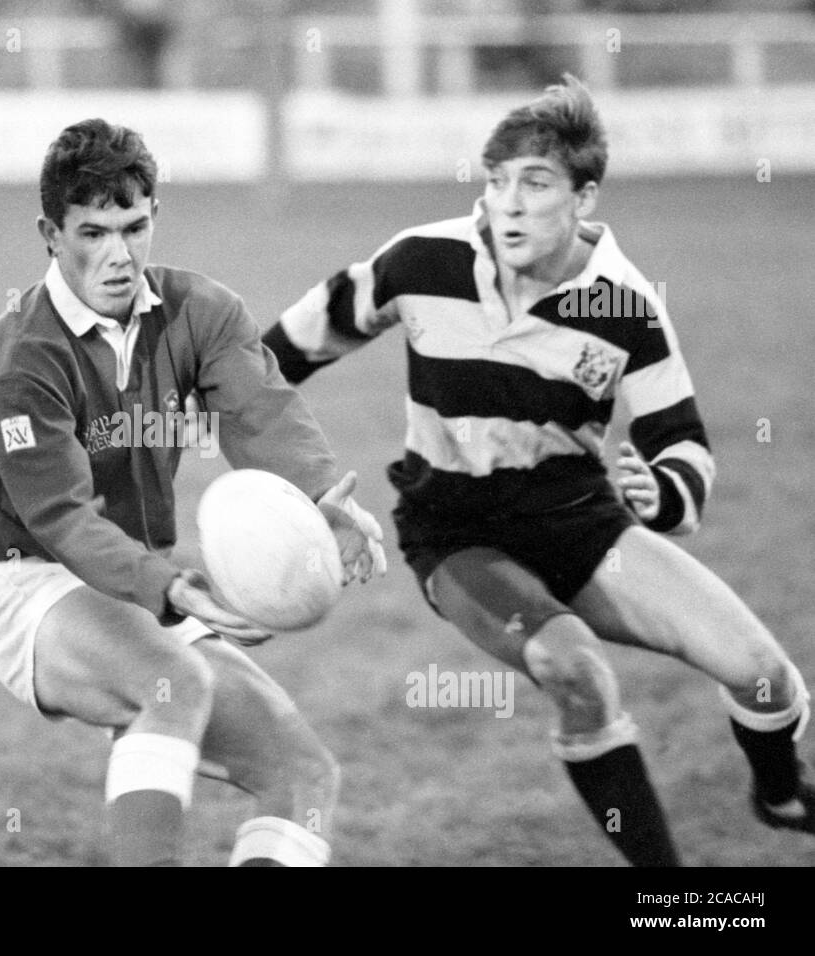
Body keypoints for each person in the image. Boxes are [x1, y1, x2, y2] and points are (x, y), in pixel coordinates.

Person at [262, 75, 812, 866]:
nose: (507, 205)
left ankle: (781, 791)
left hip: (579, 522)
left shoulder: (622, 307)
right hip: (457, 534)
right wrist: (213, 425)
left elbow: (682, 439)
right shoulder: (422, 262)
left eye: (536, 183)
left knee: (763, 677)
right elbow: (280, 355)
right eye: (497, 182)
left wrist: (664, 492)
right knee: (574, 666)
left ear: (583, 197)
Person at [0, 118, 386, 866]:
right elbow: (61, 519)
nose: (119, 255)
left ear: (155, 216)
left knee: (305, 776)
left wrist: (323, 500)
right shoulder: (19, 362)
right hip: (34, 586)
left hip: (148, 590)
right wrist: (170, 588)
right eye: (93, 232)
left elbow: (261, 415)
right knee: (173, 681)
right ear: (50, 234)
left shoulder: (201, 310)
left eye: (134, 227)